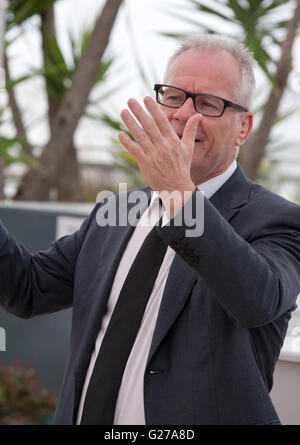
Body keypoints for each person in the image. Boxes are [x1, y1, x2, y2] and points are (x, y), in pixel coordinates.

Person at [1, 34, 300, 425]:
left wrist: (179, 194)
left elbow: (257, 299)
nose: (182, 115)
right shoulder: (119, 209)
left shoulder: (278, 220)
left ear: (243, 128)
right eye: (173, 96)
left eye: (208, 103)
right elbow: (30, 288)